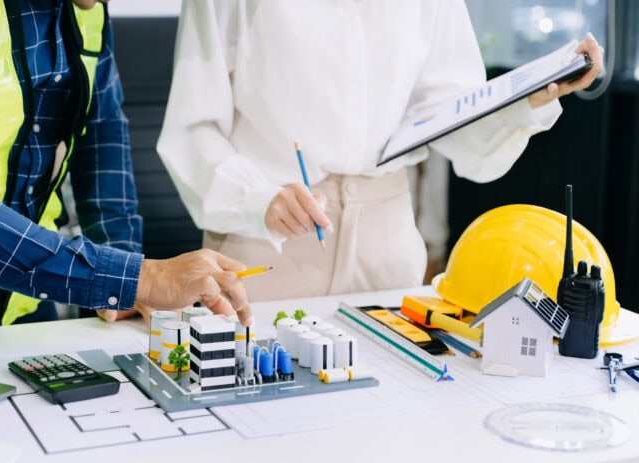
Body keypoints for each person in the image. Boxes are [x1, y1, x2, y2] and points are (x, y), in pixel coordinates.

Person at [157, 1, 604, 302]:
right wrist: (257, 199)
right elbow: (193, 126)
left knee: (389, 431)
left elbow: (449, 117)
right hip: (266, 237)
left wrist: (526, 102)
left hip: (385, 241)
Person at [0, 0, 251, 337]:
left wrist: (123, 282)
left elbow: (102, 143)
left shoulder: (86, 9)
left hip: (25, 307)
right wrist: (139, 278)